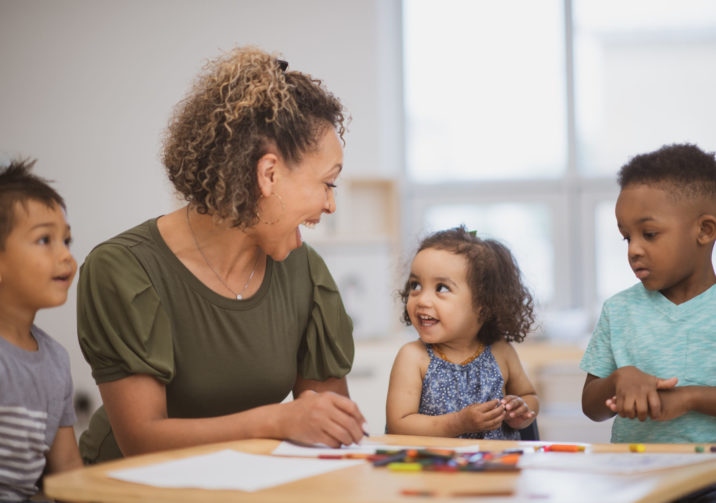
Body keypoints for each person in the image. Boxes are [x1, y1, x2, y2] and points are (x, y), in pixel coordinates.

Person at [77, 46, 367, 464]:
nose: (330, 205)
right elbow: (141, 438)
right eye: (328, 183)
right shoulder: (124, 269)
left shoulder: (305, 272)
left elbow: (328, 427)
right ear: (268, 175)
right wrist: (275, 421)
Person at [580, 143, 716, 444]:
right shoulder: (619, 310)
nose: (633, 250)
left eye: (649, 234)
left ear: (705, 231)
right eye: (626, 237)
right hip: (636, 477)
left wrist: (690, 398)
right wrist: (617, 380)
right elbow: (591, 407)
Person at [386, 226, 538, 439]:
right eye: (415, 285)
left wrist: (521, 411)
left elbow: (529, 395)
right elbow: (398, 424)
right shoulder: (413, 357)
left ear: (483, 305)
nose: (421, 299)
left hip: (496, 468)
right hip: (433, 468)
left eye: (441, 288)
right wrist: (458, 423)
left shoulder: (501, 351)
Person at [0, 159, 82, 501]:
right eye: (44, 240)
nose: (66, 256)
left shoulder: (55, 361)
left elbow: (68, 470)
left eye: (66, 240)